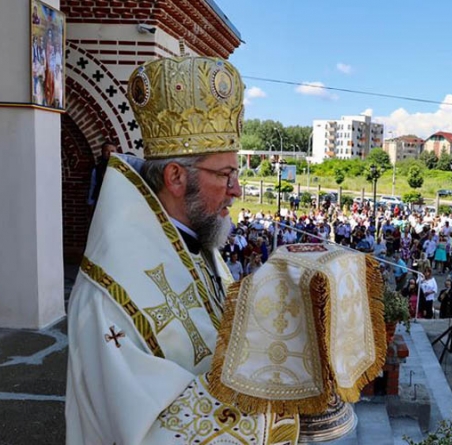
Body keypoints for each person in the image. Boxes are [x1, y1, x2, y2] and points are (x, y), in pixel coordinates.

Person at [67, 57, 345, 444]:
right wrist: (274, 413)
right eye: (225, 175)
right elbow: (153, 431)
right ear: (176, 177)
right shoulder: (107, 296)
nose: (237, 190)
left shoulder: (201, 247)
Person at [87, 142, 119, 208]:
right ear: (103, 152)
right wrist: (90, 202)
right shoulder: (97, 169)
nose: (110, 153)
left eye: (112, 151)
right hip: (101, 200)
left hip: (117, 200)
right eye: (107, 151)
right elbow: (93, 185)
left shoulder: (122, 168)